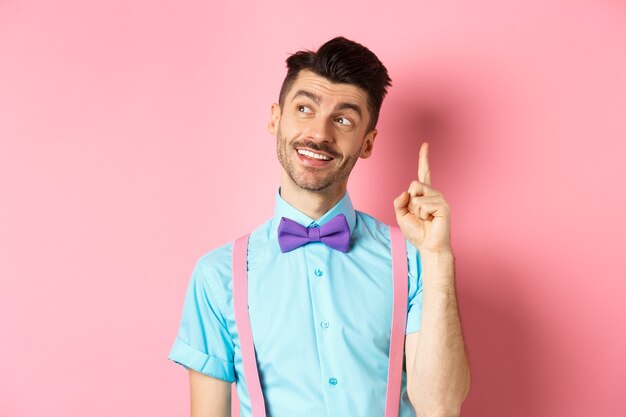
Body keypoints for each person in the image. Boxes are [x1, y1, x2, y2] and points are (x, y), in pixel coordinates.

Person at [169, 36, 470, 417]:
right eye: (305, 109)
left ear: (367, 143)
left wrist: (438, 257)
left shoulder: (414, 261)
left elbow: (440, 408)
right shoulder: (217, 275)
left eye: (343, 119)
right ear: (276, 119)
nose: (320, 134)